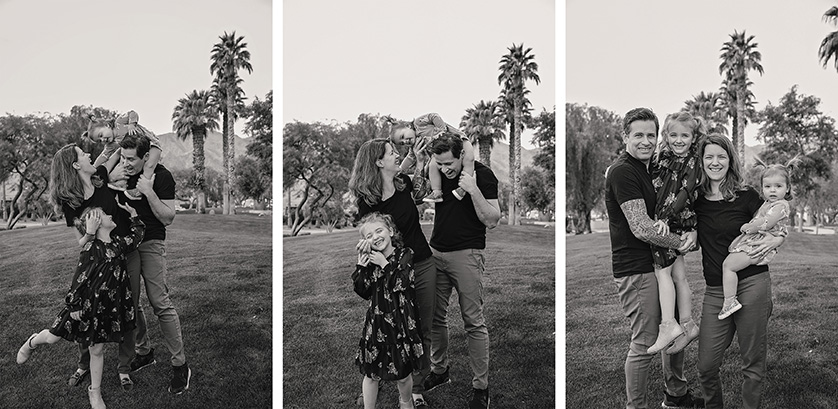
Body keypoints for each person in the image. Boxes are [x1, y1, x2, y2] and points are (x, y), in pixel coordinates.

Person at [604, 107, 704, 409]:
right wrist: (682, 243)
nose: (645, 141)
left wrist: (693, 231)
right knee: (645, 341)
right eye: (638, 135)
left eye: (650, 135)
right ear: (625, 137)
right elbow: (641, 228)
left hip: (661, 262)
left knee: (672, 333)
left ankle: (676, 395)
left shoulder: (653, 167)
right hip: (638, 269)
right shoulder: (623, 171)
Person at [17, 202, 144, 409]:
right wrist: (74, 305)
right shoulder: (90, 248)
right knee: (52, 337)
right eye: (103, 213)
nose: (110, 214)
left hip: (106, 309)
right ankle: (32, 342)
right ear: (95, 223)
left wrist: (134, 213)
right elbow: (79, 279)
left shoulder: (118, 244)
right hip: (83, 307)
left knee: (97, 350)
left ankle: (95, 393)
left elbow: (137, 235)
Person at [691, 133, 785, 409]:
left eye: (721, 156)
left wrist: (777, 239)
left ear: (730, 160)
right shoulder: (695, 200)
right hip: (716, 289)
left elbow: (775, 221)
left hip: (752, 282)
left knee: (752, 363)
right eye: (709, 156)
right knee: (706, 365)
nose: (715, 162)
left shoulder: (747, 196)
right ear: (702, 161)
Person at [349, 138, 437, 408]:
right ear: (378, 161)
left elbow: (424, 191)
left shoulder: (404, 184)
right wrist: (365, 257)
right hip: (386, 271)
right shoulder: (368, 200)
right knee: (386, 329)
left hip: (420, 262)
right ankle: (374, 383)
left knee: (421, 327)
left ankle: (415, 390)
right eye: (391, 153)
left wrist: (419, 162)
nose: (397, 155)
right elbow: (369, 232)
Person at [48, 143, 140, 391]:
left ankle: (124, 368)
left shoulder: (99, 174)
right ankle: (83, 364)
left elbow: (117, 150)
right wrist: (89, 234)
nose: (88, 154)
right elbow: (80, 242)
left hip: (124, 253)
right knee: (87, 313)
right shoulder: (71, 202)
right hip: (95, 262)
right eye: (82, 154)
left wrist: (125, 134)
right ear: (75, 166)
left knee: (128, 308)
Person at [421, 132, 500, 409]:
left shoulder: (483, 175)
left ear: (462, 156)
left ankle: (481, 387)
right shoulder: (438, 174)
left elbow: (492, 220)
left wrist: (473, 189)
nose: (445, 170)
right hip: (436, 253)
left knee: (473, 322)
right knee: (434, 318)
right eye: (439, 164)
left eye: (449, 164)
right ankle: (440, 371)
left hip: (467, 255)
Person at [115, 134, 191, 394]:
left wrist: (148, 191)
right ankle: (144, 352)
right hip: (126, 246)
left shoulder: (162, 176)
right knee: (132, 303)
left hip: (151, 242)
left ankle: (180, 365)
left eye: (131, 159)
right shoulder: (122, 173)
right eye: (123, 157)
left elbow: (168, 217)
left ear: (146, 157)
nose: (126, 163)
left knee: (159, 301)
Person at [352, 212, 425, 409]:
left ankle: (405, 401)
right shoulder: (369, 259)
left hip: (401, 325)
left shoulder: (405, 254)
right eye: (368, 236)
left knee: (403, 375)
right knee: (371, 374)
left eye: (379, 231)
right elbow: (362, 290)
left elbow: (402, 282)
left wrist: (384, 264)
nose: (375, 237)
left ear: (390, 231)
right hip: (376, 326)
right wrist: (361, 266)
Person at [646, 112, 705, 354]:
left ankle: (668, 324)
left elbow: (685, 192)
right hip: (669, 221)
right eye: (673, 135)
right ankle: (689, 325)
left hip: (673, 222)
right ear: (666, 136)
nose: (679, 140)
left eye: (685, 135)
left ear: (693, 137)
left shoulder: (692, 162)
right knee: (679, 276)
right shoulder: (663, 157)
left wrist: (664, 219)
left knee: (663, 274)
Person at [718, 163, 791, 319]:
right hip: (755, 242)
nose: (772, 190)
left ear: (787, 188)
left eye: (778, 186)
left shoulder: (780, 205)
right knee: (729, 264)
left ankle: (729, 301)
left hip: (759, 245)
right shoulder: (768, 203)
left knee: (728, 266)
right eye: (768, 186)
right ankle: (730, 300)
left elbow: (768, 222)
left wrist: (750, 226)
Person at [388, 113, 475, 203]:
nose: (405, 141)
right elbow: (410, 158)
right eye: (402, 143)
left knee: (469, 159)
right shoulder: (414, 145)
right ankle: (436, 192)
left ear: (407, 126)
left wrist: (441, 130)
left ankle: (463, 188)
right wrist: (400, 170)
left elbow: (433, 116)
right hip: (440, 154)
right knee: (432, 166)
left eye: (402, 136)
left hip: (459, 140)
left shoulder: (419, 123)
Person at [84, 110, 162, 199]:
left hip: (152, 144)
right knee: (123, 162)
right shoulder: (111, 145)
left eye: (101, 135)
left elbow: (132, 113)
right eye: (99, 140)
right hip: (138, 152)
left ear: (107, 125)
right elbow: (103, 156)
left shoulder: (119, 123)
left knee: (149, 166)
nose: (102, 140)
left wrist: (132, 124)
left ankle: (142, 189)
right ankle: (122, 184)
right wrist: (94, 167)